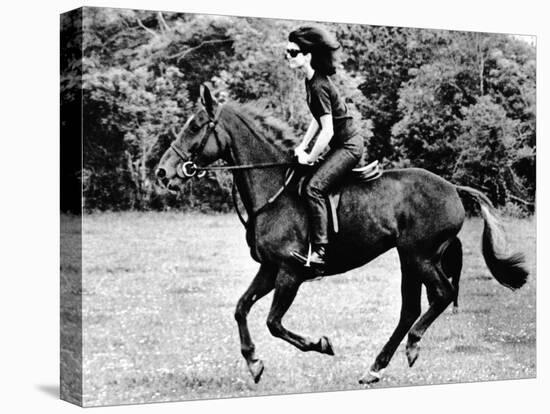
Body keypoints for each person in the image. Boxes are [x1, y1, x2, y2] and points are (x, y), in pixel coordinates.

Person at [285, 26, 364, 269]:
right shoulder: (311, 81)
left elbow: (328, 130)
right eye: (287, 51)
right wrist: (303, 146)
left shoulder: (318, 85)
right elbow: (317, 120)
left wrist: (309, 156)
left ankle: (320, 251)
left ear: (308, 56)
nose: (288, 56)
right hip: (341, 144)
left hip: (349, 146)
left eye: (293, 52)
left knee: (313, 189)